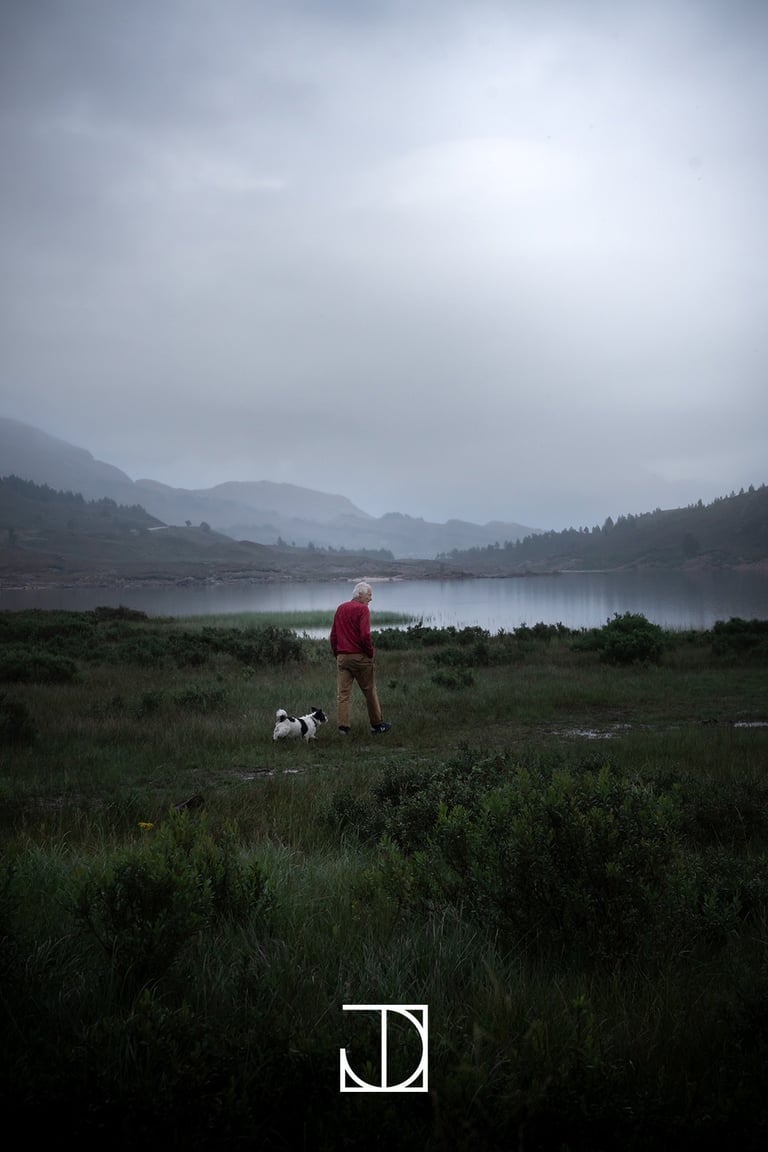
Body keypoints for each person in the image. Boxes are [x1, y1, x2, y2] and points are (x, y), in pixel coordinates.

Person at [330, 581, 391, 735]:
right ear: (360, 595)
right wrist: (370, 653)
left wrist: (337, 654)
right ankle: (377, 725)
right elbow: (365, 635)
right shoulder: (362, 610)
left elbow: (333, 636)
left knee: (343, 694)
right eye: (369, 595)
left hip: (342, 658)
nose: (371, 599)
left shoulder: (340, 608)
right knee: (370, 691)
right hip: (359, 657)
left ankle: (343, 727)